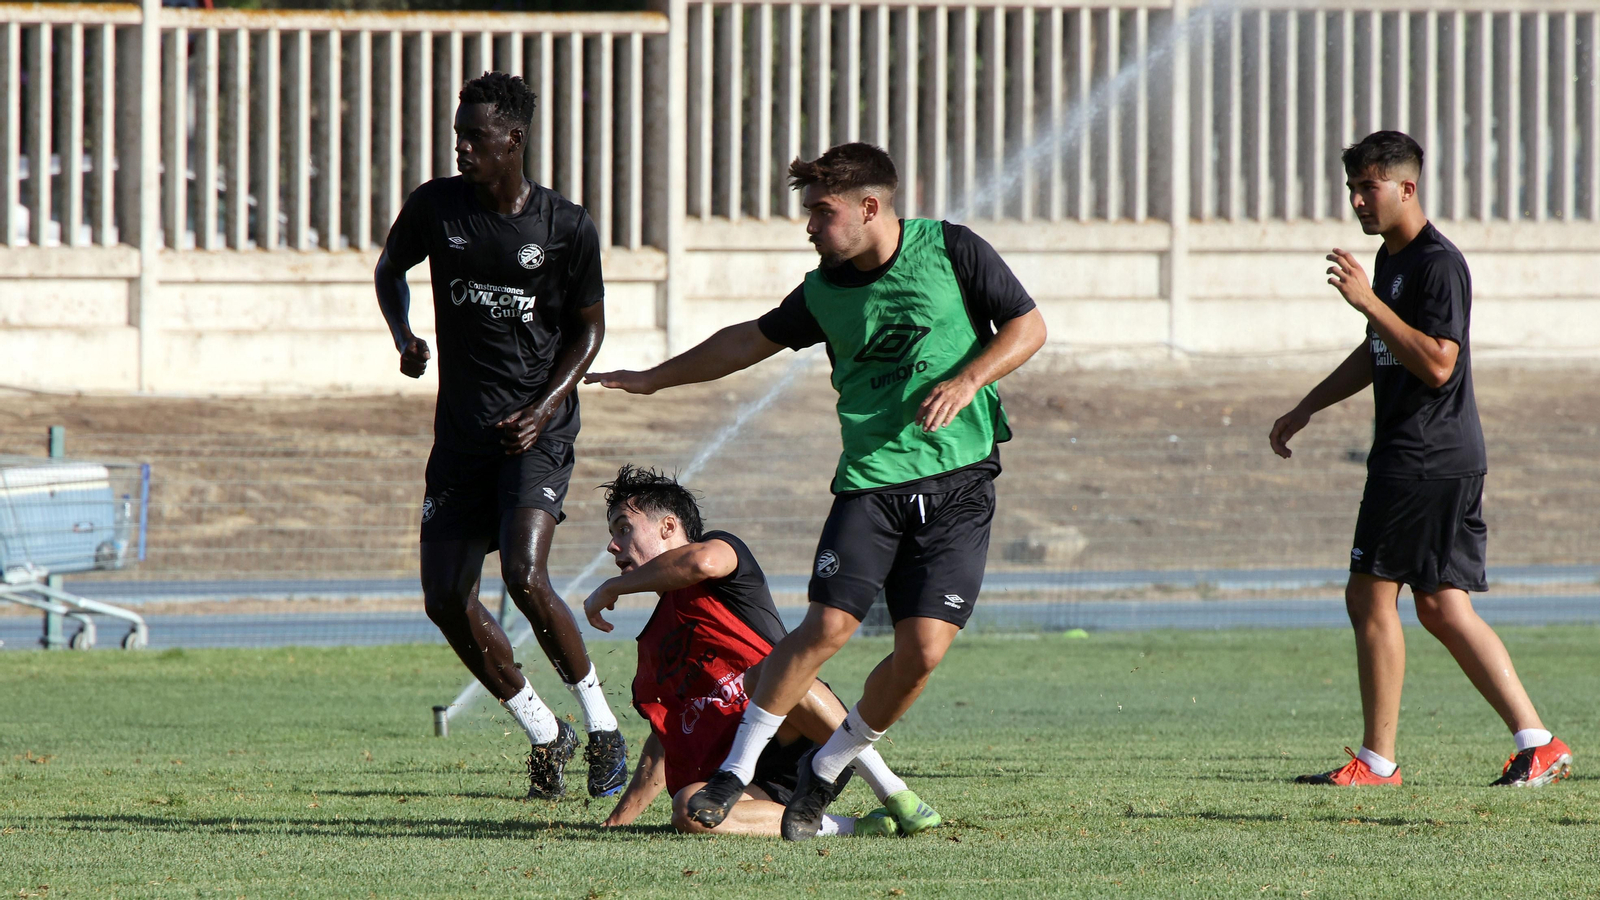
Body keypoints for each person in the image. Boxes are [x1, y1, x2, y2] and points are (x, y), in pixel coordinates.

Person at [587, 142, 1047, 839]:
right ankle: (738, 772)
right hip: (871, 486)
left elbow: (1029, 327)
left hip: (961, 486)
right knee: (827, 627)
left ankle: (828, 769)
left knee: (921, 653)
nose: (809, 228)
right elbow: (746, 341)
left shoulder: (952, 250)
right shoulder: (823, 291)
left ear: (870, 208)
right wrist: (654, 377)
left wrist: (967, 380)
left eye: (821, 213)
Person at [1269, 131, 1571, 788]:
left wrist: (1370, 303)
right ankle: (1538, 741)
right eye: (1351, 189)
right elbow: (1378, 349)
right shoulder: (1391, 260)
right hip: (1435, 457)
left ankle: (1377, 762)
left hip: (1423, 457)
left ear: (1407, 187)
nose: (1356, 201)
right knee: (1440, 607)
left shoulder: (1438, 264)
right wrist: (1309, 405)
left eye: (1368, 187)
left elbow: (1438, 364)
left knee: (1368, 594)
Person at [374, 71, 627, 800]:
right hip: (460, 440)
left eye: (473, 138)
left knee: (522, 575)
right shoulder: (436, 207)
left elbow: (590, 330)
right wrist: (406, 334)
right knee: (445, 598)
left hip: (535, 435)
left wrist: (546, 405)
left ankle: (603, 726)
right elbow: (391, 268)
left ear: (511, 140)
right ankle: (546, 733)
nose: (460, 149)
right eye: (458, 135)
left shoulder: (564, 227)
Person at [584, 465, 942, 837]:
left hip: (810, 736)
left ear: (669, 527)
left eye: (623, 528)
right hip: (751, 776)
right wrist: (616, 822)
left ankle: (894, 792)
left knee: (772, 674)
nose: (613, 545)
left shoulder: (722, 554)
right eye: (612, 534)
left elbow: (699, 563)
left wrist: (612, 588)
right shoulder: (657, 639)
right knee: (688, 809)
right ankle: (853, 828)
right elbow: (667, 736)